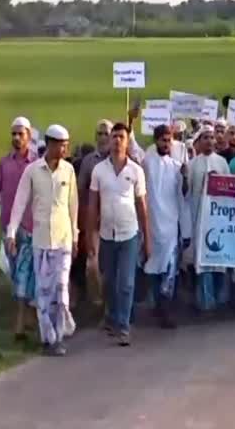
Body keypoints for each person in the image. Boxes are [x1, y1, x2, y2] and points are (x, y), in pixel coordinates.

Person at [7, 125, 78, 356]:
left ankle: (59, 334)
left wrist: (75, 236)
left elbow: (73, 206)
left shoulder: (68, 171)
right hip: (40, 241)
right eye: (61, 143)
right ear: (50, 144)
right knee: (43, 293)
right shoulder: (32, 171)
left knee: (61, 289)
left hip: (64, 239)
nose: (65, 148)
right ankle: (48, 339)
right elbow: (19, 203)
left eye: (67, 143)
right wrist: (11, 233)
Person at [88, 123, 150, 347]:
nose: (116, 141)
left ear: (127, 141)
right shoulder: (99, 170)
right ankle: (113, 317)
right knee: (109, 281)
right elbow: (93, 206)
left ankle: (124, 326)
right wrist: (89, 238)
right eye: (114, 136)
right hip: (106, 233)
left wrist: (147, 239)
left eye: (121, 137)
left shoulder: (135, 171)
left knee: (126, 282)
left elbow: (142, 206)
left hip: (129, 234)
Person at [0, 116, 38, 341]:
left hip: (33, 228)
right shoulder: (3, 164)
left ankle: (19, 325)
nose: (16, 138)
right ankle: (30, 317)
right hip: (11, 231)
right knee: (17, 274)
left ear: (29, 136)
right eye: (13, 134)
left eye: (20, 134)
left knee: (25, 275)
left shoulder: (37, 164)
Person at [142, 125, 192, 328]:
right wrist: (130, 119)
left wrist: (186, 176)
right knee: (154, 267)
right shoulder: (147, 163)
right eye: (162, 140)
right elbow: (132, 149)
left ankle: (165, 308)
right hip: (153, 226)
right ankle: (156, 306)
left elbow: (183, 196)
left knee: (170, 269)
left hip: (171, 227)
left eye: (169, 140)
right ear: (155, 141)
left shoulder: (176, 166)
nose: (166, 144)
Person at [187, 125, 231, 313]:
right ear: (199, 141)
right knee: (202, 261)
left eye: (212, 137)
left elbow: (231, 190)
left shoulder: (221, 162)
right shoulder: (192, 164)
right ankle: (205, 302)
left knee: (218, 260)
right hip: (199, 219)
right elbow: (187, 192)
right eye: (205, 137)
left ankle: (221, 300)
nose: (209, 140)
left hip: (218, 218)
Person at [76, 119, 113, 308]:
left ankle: (113, 305)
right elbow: (79, 192)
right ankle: (99, 303)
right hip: (95, 223)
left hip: (116, 222)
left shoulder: (121, 159)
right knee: (93, 266)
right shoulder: (88, 161)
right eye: (100, 133)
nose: (103, 137)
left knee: (113, 268)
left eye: (107, 133)